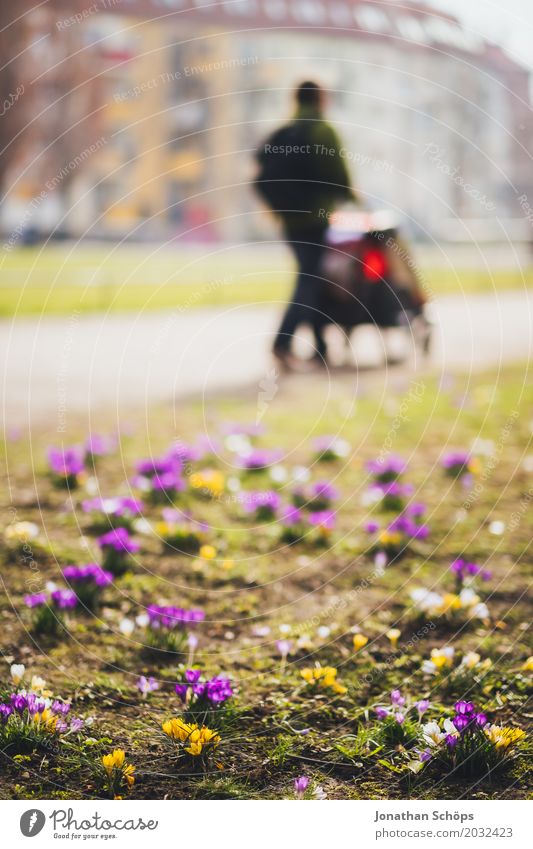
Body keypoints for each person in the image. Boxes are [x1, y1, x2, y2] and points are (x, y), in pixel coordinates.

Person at [254, 81, 355, 370]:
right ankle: (282, 343)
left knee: (311, 279)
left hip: (288, 220)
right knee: (309, 282)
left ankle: (321, 348)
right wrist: (351, 198)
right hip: (315, 218)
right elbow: (339, 176)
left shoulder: (284, 132)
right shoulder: (322, 130)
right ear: (321, 99)